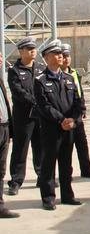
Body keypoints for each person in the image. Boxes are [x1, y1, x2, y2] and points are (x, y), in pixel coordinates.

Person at [35, 39, 83, 210]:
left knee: (66, 164)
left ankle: (67, 195)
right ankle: (48, 197)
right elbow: (44, 106)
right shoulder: (40, 80)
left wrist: (73, 120)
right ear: (47, 58)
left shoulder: (69, 78)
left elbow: (78, 102)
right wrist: (61, 120)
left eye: (61, 54)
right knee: (49, 164)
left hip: (69, 129)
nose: (61, 56)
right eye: (56, 54)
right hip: (51, 130)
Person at [7, 37, 45, 195]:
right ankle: (16, 181)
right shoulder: (14, 71)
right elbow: (18, 92)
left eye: (34, 48)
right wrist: (36, 101)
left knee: (40, 146)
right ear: (21, 51)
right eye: (29, 49)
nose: (33, 51)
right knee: (20, 148)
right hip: (23, 117)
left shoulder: (40, 69)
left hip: (40, 116)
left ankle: (42, 176)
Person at [60, 44, 90, 178]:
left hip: (77, 115)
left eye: (67, 56)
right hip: (65, 116)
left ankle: (86, 170)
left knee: (82, 144)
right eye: (63, 56)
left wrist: (83, 108)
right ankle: (66, 174)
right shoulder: (57, 74)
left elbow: (79, 93)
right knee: (67, 147)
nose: (66, 59)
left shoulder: (74, 72)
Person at [0, 53, 19, 218]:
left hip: (4, 129)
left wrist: (10, 130)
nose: (0, 59)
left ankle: (0, 206)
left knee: (1, 169)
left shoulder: (0, 81)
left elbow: (6, 104)